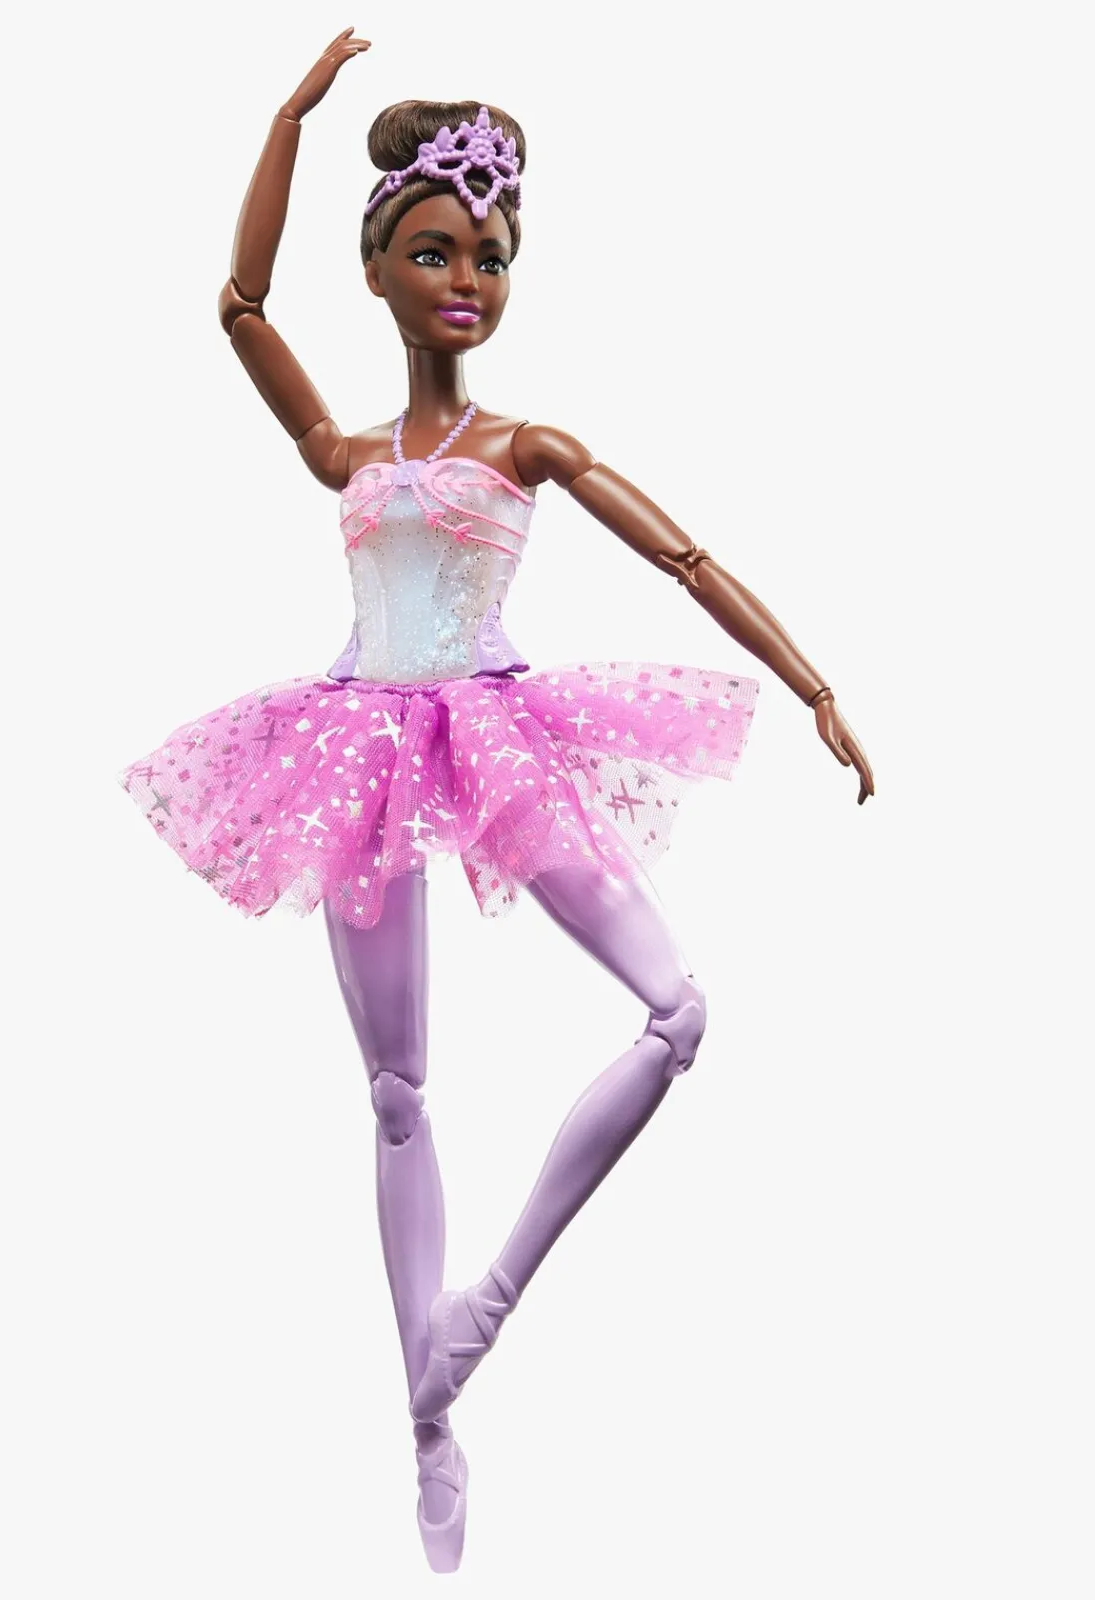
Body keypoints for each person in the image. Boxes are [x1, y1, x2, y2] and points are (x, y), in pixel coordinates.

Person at [118, 27, 875, 1573]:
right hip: (352, 745)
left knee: (677, 1010)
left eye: (490, 256)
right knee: (396, 1089)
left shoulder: (528, 446)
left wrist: (810, 683)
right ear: (377, 271)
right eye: (433, 252)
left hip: (498, 731)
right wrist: (290, 116)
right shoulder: (341, 447)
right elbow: (238, 305)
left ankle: (485, 1309)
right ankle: (429, 1430)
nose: (467, 278)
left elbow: (685, 556)